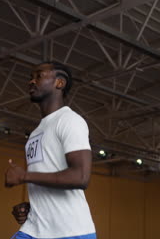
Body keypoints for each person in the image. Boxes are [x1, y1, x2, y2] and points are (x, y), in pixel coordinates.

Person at [5, 61, 96, 239]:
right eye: (30, 78)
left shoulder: (70, 120)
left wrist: (24, 176)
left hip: (70, 232)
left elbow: (81, 176)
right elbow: (46, 177)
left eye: (39, 76)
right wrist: (34, 206)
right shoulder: (36, 133)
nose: (31, 81)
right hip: (35, 228)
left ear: (59, 83)